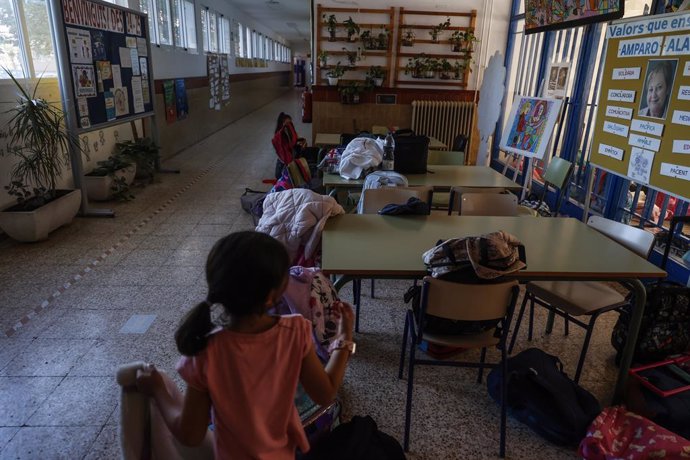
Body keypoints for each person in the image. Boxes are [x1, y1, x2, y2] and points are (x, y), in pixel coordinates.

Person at [135, 231, 355, 460]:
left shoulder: (204, 350)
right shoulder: (296, 332)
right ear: (272, 296)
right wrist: (344, 336)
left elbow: (190, 435)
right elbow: (326, 392)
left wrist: (158, 390)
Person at [273, 112, 307, 179]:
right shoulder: (280, 135)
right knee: (280, 176)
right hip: (284, 160)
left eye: (290, 123)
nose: (289, 125)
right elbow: (286, 150)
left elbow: (294, 141)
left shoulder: (289, 130)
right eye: (287, 124)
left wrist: (301, 142)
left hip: (289, 157)